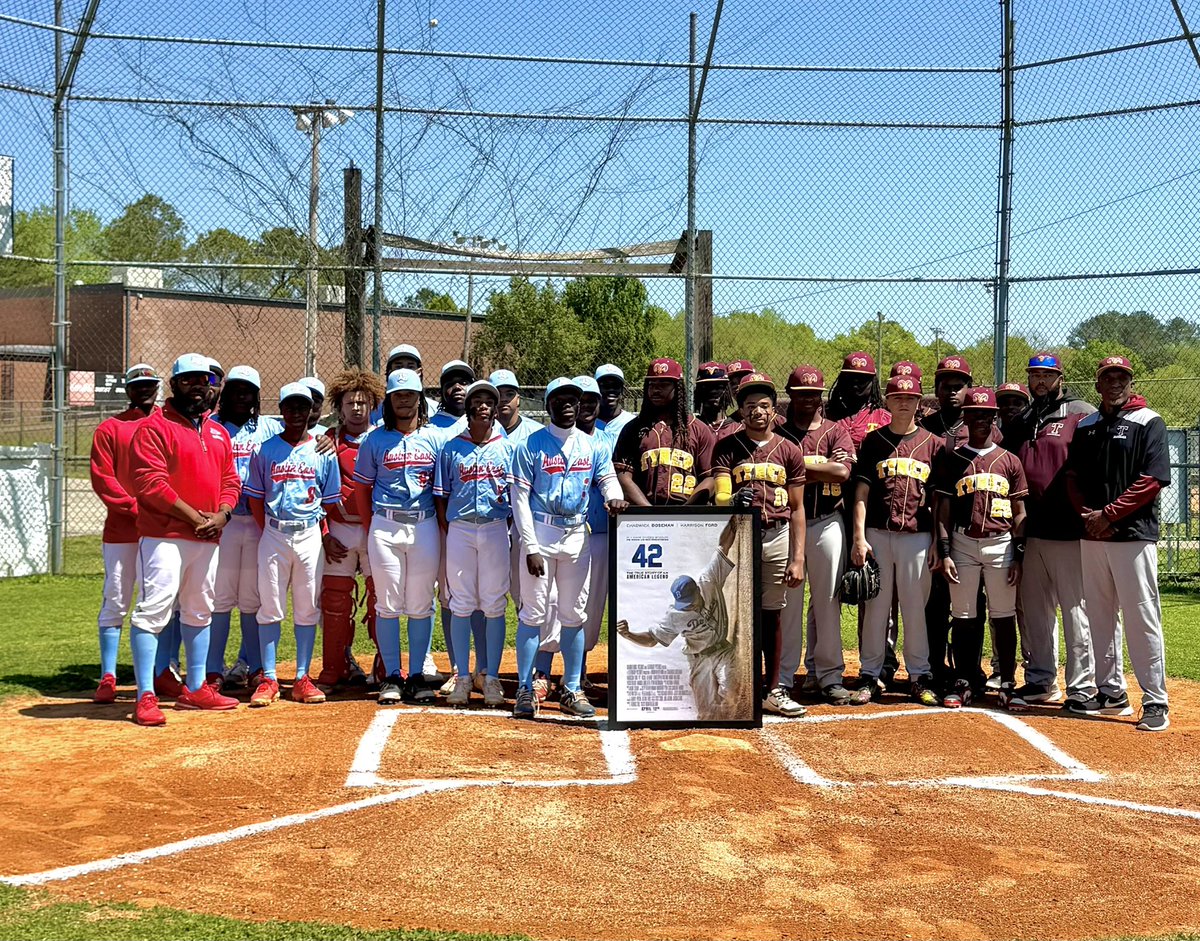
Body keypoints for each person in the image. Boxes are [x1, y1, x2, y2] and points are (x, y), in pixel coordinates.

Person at [126, 353, 241, 726]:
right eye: (188, 379)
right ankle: (145, 695)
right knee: (153, 611)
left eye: (203, 380)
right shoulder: (154, 427)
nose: (197, 386)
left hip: (207, 536)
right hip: (165, 535)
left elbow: (231, 480)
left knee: (199, 609)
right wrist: (195, 517)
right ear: (174, 384)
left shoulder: (218, 432)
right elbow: (150, 484)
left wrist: (223, 514)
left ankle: (196, 688)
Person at [509, 377, 626, 719]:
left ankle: (572, 688)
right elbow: (519, 499)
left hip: (577, 533)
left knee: (574, 613)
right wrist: (530, 546)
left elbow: (607, 478)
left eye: (573, 399)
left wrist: (614, 497)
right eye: (559, 400)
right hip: (541, 532)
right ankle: (525, 689)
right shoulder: (530, 445)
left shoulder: (592, 445)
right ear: (547, 405)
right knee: (533, 613)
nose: (568, 405)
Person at [1066, 355, 1172, 732]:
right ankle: (1111, 692)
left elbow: (1153, 479)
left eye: (1121, 377)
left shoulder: (1149, 421)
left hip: (1133, 534)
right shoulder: (1086, 425)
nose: (1115, 383)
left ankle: (1155, 699)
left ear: (1130, 382)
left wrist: (1109, 515)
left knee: (1141, 615)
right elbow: (1072, 477)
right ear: (1097, 384)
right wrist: (1089, 516)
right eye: (1108, 377)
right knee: (1099, 614)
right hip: (1093, 533)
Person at [712, 372, 807, 717]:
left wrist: (798, 557)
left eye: (764, 405)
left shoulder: (789, 449)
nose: (758, 411)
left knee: (772, 613)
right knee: (736, 613)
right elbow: (721, 495)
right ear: (741, 410)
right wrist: (731, 499)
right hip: (740, 535)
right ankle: (738, 685)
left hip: (777, 534)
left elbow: (798, 508)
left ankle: (774, 688)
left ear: (774, 409)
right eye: (750, 405)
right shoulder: (727, 447)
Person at [1007, 352, 1096, 709]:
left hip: (1069, 529)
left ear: (1060, 378)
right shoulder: (1024, 418)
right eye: (1035, 375)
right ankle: (1041, 680)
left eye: (1047, 375)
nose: (1040, 381)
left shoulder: (1080, 412)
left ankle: (1082, 686)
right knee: (1035, 612)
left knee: (1076, 611)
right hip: (1031, 529)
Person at [850, 373, 944, 707]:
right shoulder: (873, 442)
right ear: (887, 402)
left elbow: (939, 500)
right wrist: (858, 537)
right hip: (877, 533)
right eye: (897, 397)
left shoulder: (934, 444)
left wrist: (938, 542)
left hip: (917, 536)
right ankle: (870, 674)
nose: (904, 402)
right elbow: (861, 493)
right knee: (876, 608)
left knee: (915, 608)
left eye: (910, 397)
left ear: (919, 403)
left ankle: (920, 676)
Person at [245, 383, 342, 706]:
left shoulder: (323, 451)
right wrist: (269, 530)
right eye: (290, 406)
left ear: (311, 410)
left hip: (309, 535)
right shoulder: (265, 450)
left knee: (307, 606)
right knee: (270, 605)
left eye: (303, 406)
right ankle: (270, 678)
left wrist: (317, 528)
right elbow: (255, 498)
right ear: (281, 410)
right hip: (274, 533)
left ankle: (302, 676)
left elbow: (330, 500)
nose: (297, 413)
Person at [934, 387, 1028, 709]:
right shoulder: (952, 459)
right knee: (963, 615)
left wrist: (1018, 555)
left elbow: (1020, 513)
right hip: (962, 543)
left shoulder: (1009, 460)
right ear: (966, 417)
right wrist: (945, 552)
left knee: (1003, 615)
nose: (980, 420)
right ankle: (964, 681)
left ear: (994, 418)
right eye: (974, 414)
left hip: (1001, 544)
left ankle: (1007, 682)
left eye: (986, 415)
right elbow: (943, 511)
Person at [354, 368, 442, 705]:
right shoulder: (375, 439)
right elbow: (362, 488)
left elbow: (441, 491)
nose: (404, 400)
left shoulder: (435, 438)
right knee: (387, 603)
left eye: (410, 394)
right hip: (385, 525)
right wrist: (371, 527)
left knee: (421, 602)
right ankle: (392, 675)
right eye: (397, 395)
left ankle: (417, 675)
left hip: (424, 525)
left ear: (420, 398)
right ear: (389, 400)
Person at [775, 366, 858, 705]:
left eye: (813, 393)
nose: (808, 399)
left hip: (827, 521)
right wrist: (818, 468)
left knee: (827, 602)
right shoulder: (778, 433)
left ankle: (828, 675)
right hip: (786, 524)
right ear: (790, 396)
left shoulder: (835, 431)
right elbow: (778, 472)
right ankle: (782, 677)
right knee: (787, 604)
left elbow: (841, 473)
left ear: (821, 396)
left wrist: (794, 470)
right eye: (801, 393)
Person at [616, 516, 745, 722]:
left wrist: (735, 517)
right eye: (684, 603)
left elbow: (722, 546)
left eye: (690, 601)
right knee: (706, 715)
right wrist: (628, 634)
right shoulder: (675, 615)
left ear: (697, 590)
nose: (689, 606)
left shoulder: (708, 579)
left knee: (731, 694)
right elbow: (652, 639)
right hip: (698, 659)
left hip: (723, 652)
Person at [434, 378, 513, 708]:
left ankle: (491, 677)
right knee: (461, 603)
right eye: (476, 401)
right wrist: (452, 528)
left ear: (495, 409)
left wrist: (504, 528)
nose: (483, 406)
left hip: (495, 528)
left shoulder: (507, 448)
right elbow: (441, 496)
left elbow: (515, 497)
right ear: (467, 408)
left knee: (494, 603)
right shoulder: (452, 448)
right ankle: (463, 677)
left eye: (488, 401)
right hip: (461, 530)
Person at [89, 363, 162, 704]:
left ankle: (161, 670)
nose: (144, 389)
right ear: (128, 389)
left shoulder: (169, 424)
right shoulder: (110, 428)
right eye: (138, 384)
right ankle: (108, 675)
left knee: (159, 599)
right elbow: (103, 479)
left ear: (158, 387)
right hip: (123, 529)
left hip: (162, 529)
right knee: (116, 598)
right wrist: (136, 507)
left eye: (150, 384)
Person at [826, 352, 896, 690]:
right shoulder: (829, 417)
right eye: (851, 378)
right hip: (834, 509)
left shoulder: (885, 417)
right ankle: (823, 666)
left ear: (873, 383)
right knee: (831, 589)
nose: (857, 384)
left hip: (875, 512)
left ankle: (884, 661)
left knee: (876, 589)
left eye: (864, 379)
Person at [208, 366, 279, 694]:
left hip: (256, 522)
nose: (241, 396)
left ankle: (254, 666)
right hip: (223, 523)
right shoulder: (212, 426)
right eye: (235, 389)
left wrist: (324, 438)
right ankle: (213, 668)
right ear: (225, 393)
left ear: (256, 396)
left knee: (251, 597)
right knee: (219, 597)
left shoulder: (268, 427)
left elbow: (304, 432)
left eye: (248, 390)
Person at [317, 367, 386, 691]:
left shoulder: (383, 437)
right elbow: (313, 491)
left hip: (375, 529)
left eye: (362, 402)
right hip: (340, 530)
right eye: (350, 403)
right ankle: (334, 666)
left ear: (373, 405)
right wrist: (324, 534)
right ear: (339, 407)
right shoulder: (326, 441)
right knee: (335, 601)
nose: (356, 408)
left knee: (380, 600)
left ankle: (385, 665)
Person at [613, 357, 717, 506]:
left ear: (678, 387)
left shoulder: (698, 429)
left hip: (688, 513)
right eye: (652, 384)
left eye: (663, 384)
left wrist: (685, 511)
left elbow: (710, 478)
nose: (656, 390)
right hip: (643, 513)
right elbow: (624, 476)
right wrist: (650, 513)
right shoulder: (633, 429)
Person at [369, 344, 439, 424]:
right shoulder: (375, 412)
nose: (404, 371)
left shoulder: (435, 410)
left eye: (410, 367)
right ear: (389, 372)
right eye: (398, 367)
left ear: (419, 372)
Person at [693, 362, 739, 439]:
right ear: (698, 392)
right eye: (707, 388)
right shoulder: (692, 428)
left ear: (727, 390)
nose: (713, 392)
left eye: (719, 387)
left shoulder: (738, 429)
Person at [595, 363, 634, 437]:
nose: (611, 390)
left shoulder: (632, 423)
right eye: (605, 386)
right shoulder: (586, 423)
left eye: (616, 386)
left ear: (622, 390)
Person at [996, 382, 1031, 449]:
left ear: (1027, 407)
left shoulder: (1032, 439)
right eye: (1005, 403)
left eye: (1017, 403)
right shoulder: (993, 440)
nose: (1010, 407)